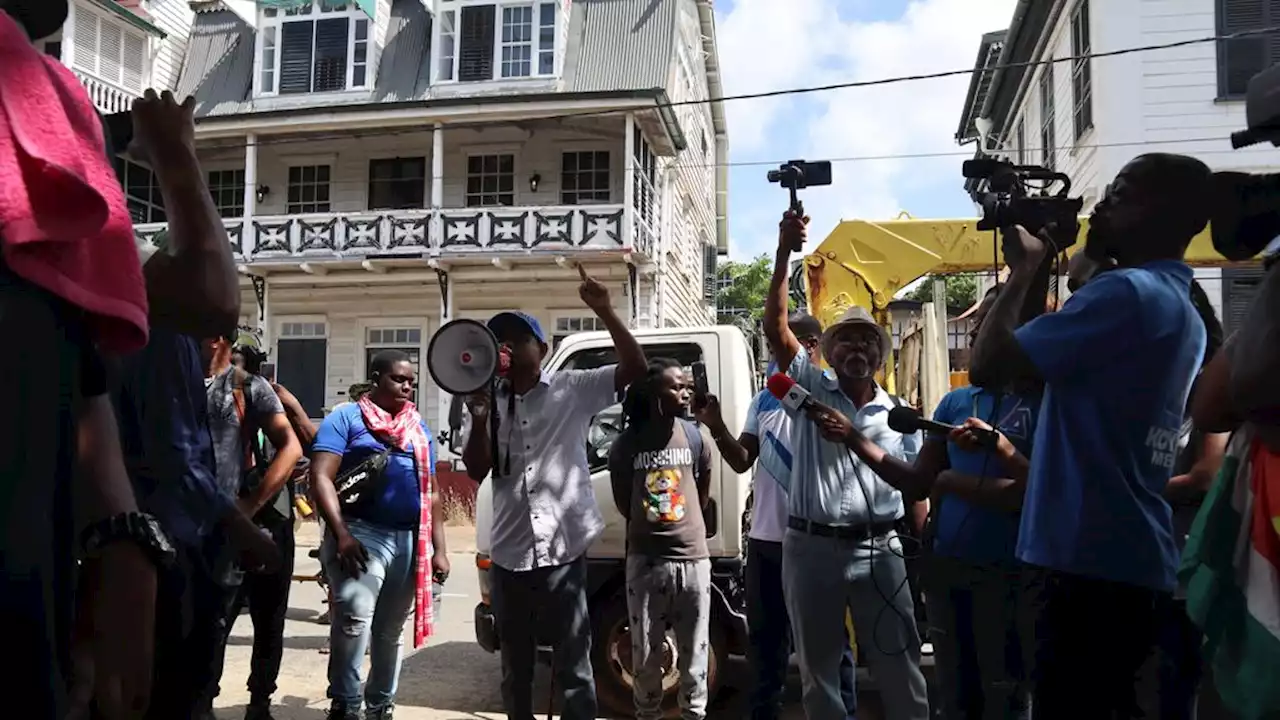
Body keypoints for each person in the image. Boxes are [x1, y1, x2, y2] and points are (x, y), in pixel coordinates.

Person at [967, 153, 1214, 718]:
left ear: (1164, 212)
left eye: (1120, 194)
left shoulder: (1125, 294)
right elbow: (1031, 369)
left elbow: (990, 364)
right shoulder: (1180, 308)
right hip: (1127, 561)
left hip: (1083, 567)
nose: (1100, 205)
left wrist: (1025, 271)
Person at [762, 211, 930, 720]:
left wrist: (920, 543)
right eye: (846, 340)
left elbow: (915, 487)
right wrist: (783, 253)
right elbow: (775, 327)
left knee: (900, 663)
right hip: (810, 548)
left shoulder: (898, 414)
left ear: (879, 355)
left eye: (867, 341)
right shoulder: (809, 387)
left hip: (881, 548)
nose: (857, 347)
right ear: (828, 352)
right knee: (819, 671)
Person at [462, 264, 646, 720]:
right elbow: (476, 469)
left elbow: (636, 369)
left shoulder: (572, 388)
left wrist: (604, 310)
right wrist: (481, 417)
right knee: (515, 667)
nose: (505, 346)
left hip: (563, 550)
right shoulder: (484, 399)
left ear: (542, 349)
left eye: (515, 338)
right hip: (509, 555)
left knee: (574, 665)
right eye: (497, 339)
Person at [695, 313, 861, 720]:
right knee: (766, 648)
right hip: (767, 544)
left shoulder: (835, 395)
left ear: (816, 348)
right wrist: (716, 427)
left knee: (828, 646)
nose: (793, 349)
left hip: (817, 542)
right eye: (783, 343)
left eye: (806, 341)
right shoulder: (762, 400)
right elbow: (741, 460)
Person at [920, 287, 1038, 720]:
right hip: (949, 569)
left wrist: (953, 481)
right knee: (955, 695)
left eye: (994, 321)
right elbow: (920, 480)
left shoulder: (1047, 402)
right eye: (979, 323)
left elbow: (1036, 491)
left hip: (1011, 573)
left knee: (1005, 694)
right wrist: (853, 438)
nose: (980, 332)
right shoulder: (954, 401)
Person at [309, 350, 446, 720]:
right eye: (398, 379)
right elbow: (320, 476)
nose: (407, 387)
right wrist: (341, 535)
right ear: (376, 379)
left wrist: (440, 549)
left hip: (408, 540)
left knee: (389, 630)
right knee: (354, 619)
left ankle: (381, 706)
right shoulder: (346, 419)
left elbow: (431, 491)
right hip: (359, 534)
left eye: (411, 382)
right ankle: (346, 704)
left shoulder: (418, 428)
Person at [201, 331, 303, 720]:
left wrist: (250, 504)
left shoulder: (259, 393)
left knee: (269, 617)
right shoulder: (200, 388)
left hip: (269, 522)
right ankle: (204, 695)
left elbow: (299, 446)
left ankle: (260, 700)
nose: (242, 368)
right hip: (222, 527)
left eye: (250, 361)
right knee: (217, 619)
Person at [609, 359, 714, 720]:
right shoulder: (625, 445)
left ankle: (694, 714)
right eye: (676, 387)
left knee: (695, 655)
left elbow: (701, 494)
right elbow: (625, 502)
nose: (685, 393)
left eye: (687, 386)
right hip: (646, 563)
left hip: (694, 561)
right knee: (646, 655)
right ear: (654, 394)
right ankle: (647, 713)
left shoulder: (695, 436)